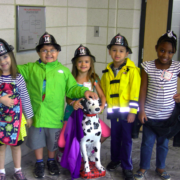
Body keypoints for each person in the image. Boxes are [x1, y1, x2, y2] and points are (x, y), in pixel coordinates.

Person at [17, 32, 98, 178]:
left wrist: (85, 91)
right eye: (44, 50)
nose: (49, 53)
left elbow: (72, 88)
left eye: (52, 50)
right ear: (38, 52)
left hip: (55, 114)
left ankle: (50, 160)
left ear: (58, 52)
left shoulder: (63, 71)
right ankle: (39, 162)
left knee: (52, 141)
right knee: (37, 140)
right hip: (36, 114)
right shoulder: (30, 68)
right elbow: (12, 71)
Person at [134, 31, 180, 180]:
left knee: (163, 144)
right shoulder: (147, 66)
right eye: (162, 50)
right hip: (150, 114)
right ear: (156, 48)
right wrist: (141, 110)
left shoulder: (176, 66)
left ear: (174, 52)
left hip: (168, 116)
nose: (165, 54)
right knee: (147, 143)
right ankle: (143, 167)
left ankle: (160, 167)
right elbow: (143, 88)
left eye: (170, 52)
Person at [57, 44, 110, 157]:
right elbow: (67, 97)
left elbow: (102, 95)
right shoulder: (71, 78)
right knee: (61, 143)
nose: (83, 64)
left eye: (86, 61)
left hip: (89, 117)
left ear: (90, 64)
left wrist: (101, 107)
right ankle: (66, 154)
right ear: (75, 64)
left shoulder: (94, 78)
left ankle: (89, 151)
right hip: (71, 115)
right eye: (80, 61)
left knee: (106, 132)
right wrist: (73, 103)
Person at [101, 33, 141, 180]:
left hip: (127, 114)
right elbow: (104, 92)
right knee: (115, 137)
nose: (117, 53)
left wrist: (132, 112)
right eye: (114, 50)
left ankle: (127, 166)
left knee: (127, 139)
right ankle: (115, 159)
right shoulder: (107, 72)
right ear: (109, 51)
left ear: (127, 52)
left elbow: (134, 93)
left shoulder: (133, 71)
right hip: (114, 112)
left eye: (121, 50)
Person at [0, 39, 33, 180]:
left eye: (5, 56)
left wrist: (29, 116)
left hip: (15, 120)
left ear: (11, 57)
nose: (3, 61)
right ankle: (1, 171)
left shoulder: (18, 78)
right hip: (1, 121)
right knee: (1, 147)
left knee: (15, 146)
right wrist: (2, 99)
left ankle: (17, 170)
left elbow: (25, 98)